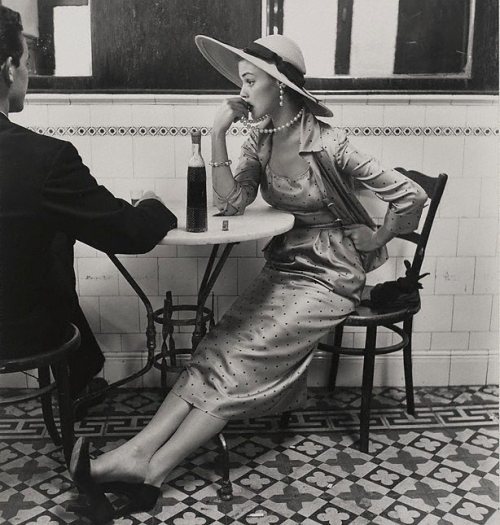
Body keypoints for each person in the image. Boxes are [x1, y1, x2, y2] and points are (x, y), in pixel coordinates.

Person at [69, 33, 427, 523]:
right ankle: (137, 460)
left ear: (280, 88)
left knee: (241, 358)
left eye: (250, 81)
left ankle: (151, 468)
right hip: (288, 264)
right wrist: (218, 133)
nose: (241, 92)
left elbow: (409, 196)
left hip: (331, 275)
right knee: (217, 347)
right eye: (241, 82)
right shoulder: (259, 137)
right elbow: (230, 202)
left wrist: (376, 235)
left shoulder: (328, 141)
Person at [0, 6, 177, 406]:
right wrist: (154, 205)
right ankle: (81, 370)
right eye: (26, 63)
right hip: (16, 332)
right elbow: (128, 232)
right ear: (10, 67)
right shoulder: (44, 158)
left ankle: (83, 369)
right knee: (53, 232)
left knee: (49, 232)